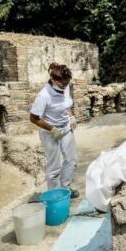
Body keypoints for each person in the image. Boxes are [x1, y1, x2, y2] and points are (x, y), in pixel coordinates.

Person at [29, 62, 80, 198]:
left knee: (71, 160)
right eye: (62, 84)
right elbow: (33, 118)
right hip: (50, 132)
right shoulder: (44, 96)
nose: (65, 87)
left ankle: (66, 189)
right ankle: (55, 195)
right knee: (54, 168)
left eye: (67, 83)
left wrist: (71, 115)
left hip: (66, 127)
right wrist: (52, 129)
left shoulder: (65, 86)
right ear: (53, 80)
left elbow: (66, 103)